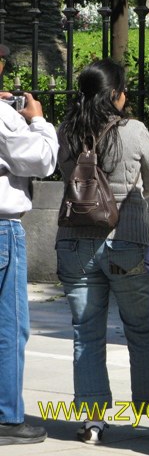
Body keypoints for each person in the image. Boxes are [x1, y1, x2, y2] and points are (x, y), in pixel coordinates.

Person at [55, 59, 149, 443]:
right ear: (114, 95)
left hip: (74, 242)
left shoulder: (67, 130)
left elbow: (68, 177)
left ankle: (92, 422)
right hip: (125, 241)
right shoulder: (134, 131)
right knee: (143, 331)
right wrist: (124, 200)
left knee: (86, 333)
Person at [0, 43, 56, 446]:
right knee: (9, 326)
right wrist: (37, 121)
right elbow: (41, 159)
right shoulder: (5, 117)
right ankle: (6, 416)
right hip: (2, 228)